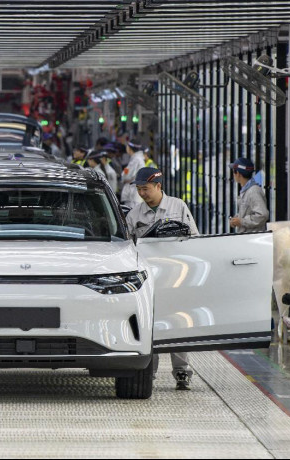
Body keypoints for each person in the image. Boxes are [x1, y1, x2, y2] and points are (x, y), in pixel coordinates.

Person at [125, 167, 199, 390]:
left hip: (176, 277)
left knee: (178, 323)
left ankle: (182, 372)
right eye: (139, 190)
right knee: (151, 325)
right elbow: (127, 248)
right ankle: (150, 372)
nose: (142, 194)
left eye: (145, 189)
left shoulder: (178, 207)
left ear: (159, 186)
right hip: (149, 279)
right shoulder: (134, 215)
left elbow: (194, 239)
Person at [229, 157, 269, 233]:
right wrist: (236, 219)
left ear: (238, 174)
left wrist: (241, 221)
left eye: (234, 172)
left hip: (253, 239)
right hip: (247, 238)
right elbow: (248, 212)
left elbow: (262, 215)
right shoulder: (246, 190)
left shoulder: (254, 191)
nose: (233, 175)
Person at [120, 141, 146, 207]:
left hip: (133, 195)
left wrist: (123, 175)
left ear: (130, 148)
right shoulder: (136, 159)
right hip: (134, 194)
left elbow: (126, 175)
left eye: (127, 146)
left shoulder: (136, 160)